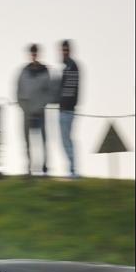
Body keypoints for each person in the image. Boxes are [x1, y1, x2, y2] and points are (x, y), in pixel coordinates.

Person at [16, 43, 52, 176]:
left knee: (43, 141)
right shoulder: (23, 71)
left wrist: (40, 107)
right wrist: (25, 108)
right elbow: (18, 92)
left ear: (39, 54)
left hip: (40, 112)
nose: (34, 55)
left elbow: (49, 92)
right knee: (27, 141)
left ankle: (45, 167)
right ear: (29, 54)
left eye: (35, 52)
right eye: (32, 53)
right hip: (26, 112)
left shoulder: (45, 71)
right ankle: (29, 168)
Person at [56, 40, 80, 178]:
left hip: (67, 110)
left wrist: (64, 104)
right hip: (64, 109)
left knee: (67, 141)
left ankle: (73, 170)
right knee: (65, 141)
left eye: (66, 50)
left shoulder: (72, 67)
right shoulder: (66, 67)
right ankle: (71, 169)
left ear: (69, 51)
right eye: (62, 50)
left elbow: (70, 90)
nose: (64, 52)